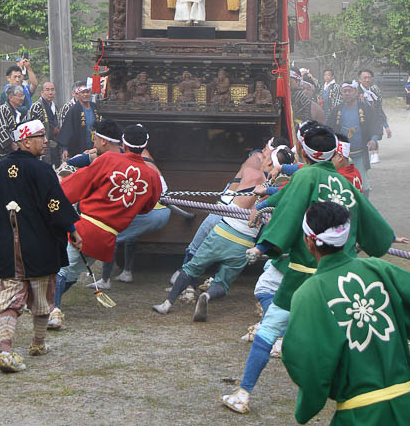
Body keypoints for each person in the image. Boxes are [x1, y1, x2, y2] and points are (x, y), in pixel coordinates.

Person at [221, 124, 394, 415]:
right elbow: (374, 228)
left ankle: (243, 393)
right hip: (340, 275)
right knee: (345, 335)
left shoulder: (305, 176)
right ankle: (370, 396)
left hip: (303, 272)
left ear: (302, 150)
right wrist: (388, 237)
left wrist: (263, 247)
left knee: (268, 329)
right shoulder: (345, 184)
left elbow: (289, 209)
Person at [282, 200, 410, 425]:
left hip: (358, 417)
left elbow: (307, 359)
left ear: (309, 241)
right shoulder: (379, 269)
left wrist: (308, 403)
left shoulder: (309, 293)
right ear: (346, 237)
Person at [0, 119, 81, 374]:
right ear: (26, 141)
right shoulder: (42, 170)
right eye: (41, 136)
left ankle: (6, 350)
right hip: (40, 244)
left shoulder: (1, 168)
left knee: (10, 295)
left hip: (7, 243)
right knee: (42, 296)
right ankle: (37, 344)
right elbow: (56, 205)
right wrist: (72, 229)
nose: (46, 141)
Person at [49, 124, 162, 329]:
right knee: (73, 272)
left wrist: (53, 197)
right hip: (107, 238)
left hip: (85, 228)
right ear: (144, 146)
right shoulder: (152, 176)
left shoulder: (109, 159)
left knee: (60, 270)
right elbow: (147, 207)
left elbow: (81, 182)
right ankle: (45, 304)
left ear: (124, 144)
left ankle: (51, 311)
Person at [152, 149, 265, 322]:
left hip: (223, 231)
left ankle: (167, 304)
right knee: (222, 284)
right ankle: (207, 296)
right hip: (244, 243)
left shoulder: (250, 172)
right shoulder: (280, 191)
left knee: (191, 268)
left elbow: (248, 167)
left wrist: (258, 157)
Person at [96, 147, 170, 288]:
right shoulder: (144, 155)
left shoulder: (138, 162)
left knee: (111, 235)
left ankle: (105, 280)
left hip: (155, 211)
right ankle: (127, 272)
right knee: (130, 233)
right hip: (161, 210)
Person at [326, 82, 382, 196]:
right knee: (341, 184)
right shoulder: (337, 110)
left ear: (356, 92)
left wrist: (373, 139)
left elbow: (375, 125)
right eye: (344, 91)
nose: (347, 93)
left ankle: (364, 205)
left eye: (350, 91)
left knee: (362, 184)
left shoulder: (365, 108)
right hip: (341, 156)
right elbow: (329, 129)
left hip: (360, 153)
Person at [0, 84, 26, 184]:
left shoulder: (16, 112)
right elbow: (1, 132)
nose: (22, 98)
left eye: (23, 96)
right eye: (20, 96)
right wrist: (15, 147)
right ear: (10, 97)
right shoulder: (2, 110)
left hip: (10, 156)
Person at [356, 69, 390, 165]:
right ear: (360, 79)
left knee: (374, 134)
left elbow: (379, 109)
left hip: (374, 119)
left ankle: (375, 154)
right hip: (360, 119)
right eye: (364, 78)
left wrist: (386, 126)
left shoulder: (375, 90)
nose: (367, 80)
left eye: (369, 77)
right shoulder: (355, 91)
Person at [57, 83, 98, 160]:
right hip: (80, 145)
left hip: (94, 144)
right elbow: (67, 128)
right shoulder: (74, 109)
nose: (85, 94)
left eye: (87, 92)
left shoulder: (94, 107)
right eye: (83, 92)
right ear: (78, 95)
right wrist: (65, 148)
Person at [28, 81, 61, 167]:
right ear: (41, 92)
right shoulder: (36, 106)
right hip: (42, 145)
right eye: (47, 90)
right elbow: (32, 128)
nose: (50, 93)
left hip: (55, 145)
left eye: (52, 90)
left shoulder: (55, 107)